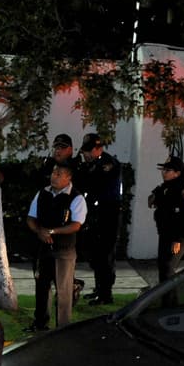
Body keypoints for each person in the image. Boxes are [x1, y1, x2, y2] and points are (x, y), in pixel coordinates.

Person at [25, 164, 87, 332]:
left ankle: (63, 328)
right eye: (53, 173)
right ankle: (40, 323)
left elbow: (76, 225)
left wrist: (52, 231)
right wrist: (39, 231)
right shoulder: (43, 193)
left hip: (64, 250)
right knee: (42, 286)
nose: (54, 176)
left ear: (68, 178)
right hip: (43, 248)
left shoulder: (76, 198)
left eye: (59, 174)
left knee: (64, 291)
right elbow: (31, 217)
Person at [76, 133, 122, 305]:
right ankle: (99, 289)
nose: (86, 155)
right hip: (95, 215)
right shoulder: (92, 164)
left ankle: (105, 294)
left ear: (98, 148)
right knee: (96, 254)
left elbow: (95, 184)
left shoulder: (107, 164)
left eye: (89, 151)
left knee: (105, 255)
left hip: (108, 215)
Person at [148, 156, 184, 283]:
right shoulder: (165, 188)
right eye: (163, 169)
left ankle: (170, 302)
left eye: (167, 170)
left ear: (177, 173)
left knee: (168, 269)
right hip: (165, 233)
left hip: (178, 236)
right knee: (163, 268)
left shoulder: (183, 190)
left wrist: (177, 240)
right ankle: (166, 301)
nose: (163, 172)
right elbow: (151, 201)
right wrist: (156, 195)